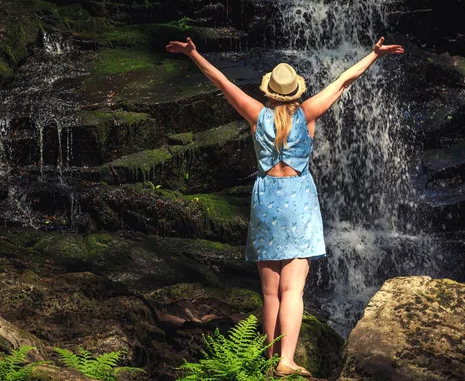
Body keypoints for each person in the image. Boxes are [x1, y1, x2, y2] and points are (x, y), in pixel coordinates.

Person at [166, 36, 404, 378]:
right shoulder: (307, 113)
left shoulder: (255, 114)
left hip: (266, 199)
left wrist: (193, 53)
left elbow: (222, 81)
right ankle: (286, 362)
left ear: (269, 93)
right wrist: (374, 55)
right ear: (296, 93)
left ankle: (268, 357)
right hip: (299, 200)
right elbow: (343, 81)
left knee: (269, 291)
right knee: (293, 289)